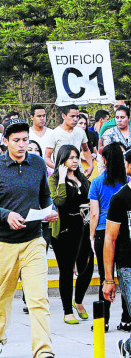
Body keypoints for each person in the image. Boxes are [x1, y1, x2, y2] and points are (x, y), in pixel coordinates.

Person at [0, 118, 58, 358]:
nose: (22, 145)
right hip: (2, 243)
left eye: (25, 140)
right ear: (5, 142)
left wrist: (49, 212)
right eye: (16, 141)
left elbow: (45, 198)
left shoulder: (38, 164)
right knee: (0, 297)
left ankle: (43, 350)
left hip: (34, 241)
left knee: (38, 299)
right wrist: (5, 215)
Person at [48, 145, 93, 324]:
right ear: (62, 159)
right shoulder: (54, 179)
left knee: (86, 268)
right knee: (66, 271)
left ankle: (79, 300)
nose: (75, 161)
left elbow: (90, 199)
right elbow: (59, 201)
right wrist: (60, 178)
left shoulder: (83, 178)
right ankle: (68, 310)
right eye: (71, 157)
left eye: (77, 157)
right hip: (64, 229)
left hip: (84, 227)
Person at [89, 143, 130, 331]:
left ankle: (102, 321)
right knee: (124, 278)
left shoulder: (97, 182)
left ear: (104, 159)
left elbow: (95, 213)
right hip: (124, 231)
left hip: (104, 231)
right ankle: (126, 318)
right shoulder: (126, 181)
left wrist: (91, 234)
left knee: (107, 277)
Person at [102, 148, 131, 357]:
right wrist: (109, 279)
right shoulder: (120, 198)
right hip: (128, 265)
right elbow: (110, 239)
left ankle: (128, 346)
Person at [44, 104, 93, 177]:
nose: (75, 119)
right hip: (61, 175)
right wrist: (58, 168)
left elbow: (86, 150)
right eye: (72, 116)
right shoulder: (54, 133)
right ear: (64, 116)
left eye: (77, 116)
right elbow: (47, 157)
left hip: (79, 173)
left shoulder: (80, 132)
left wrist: (91, 166)